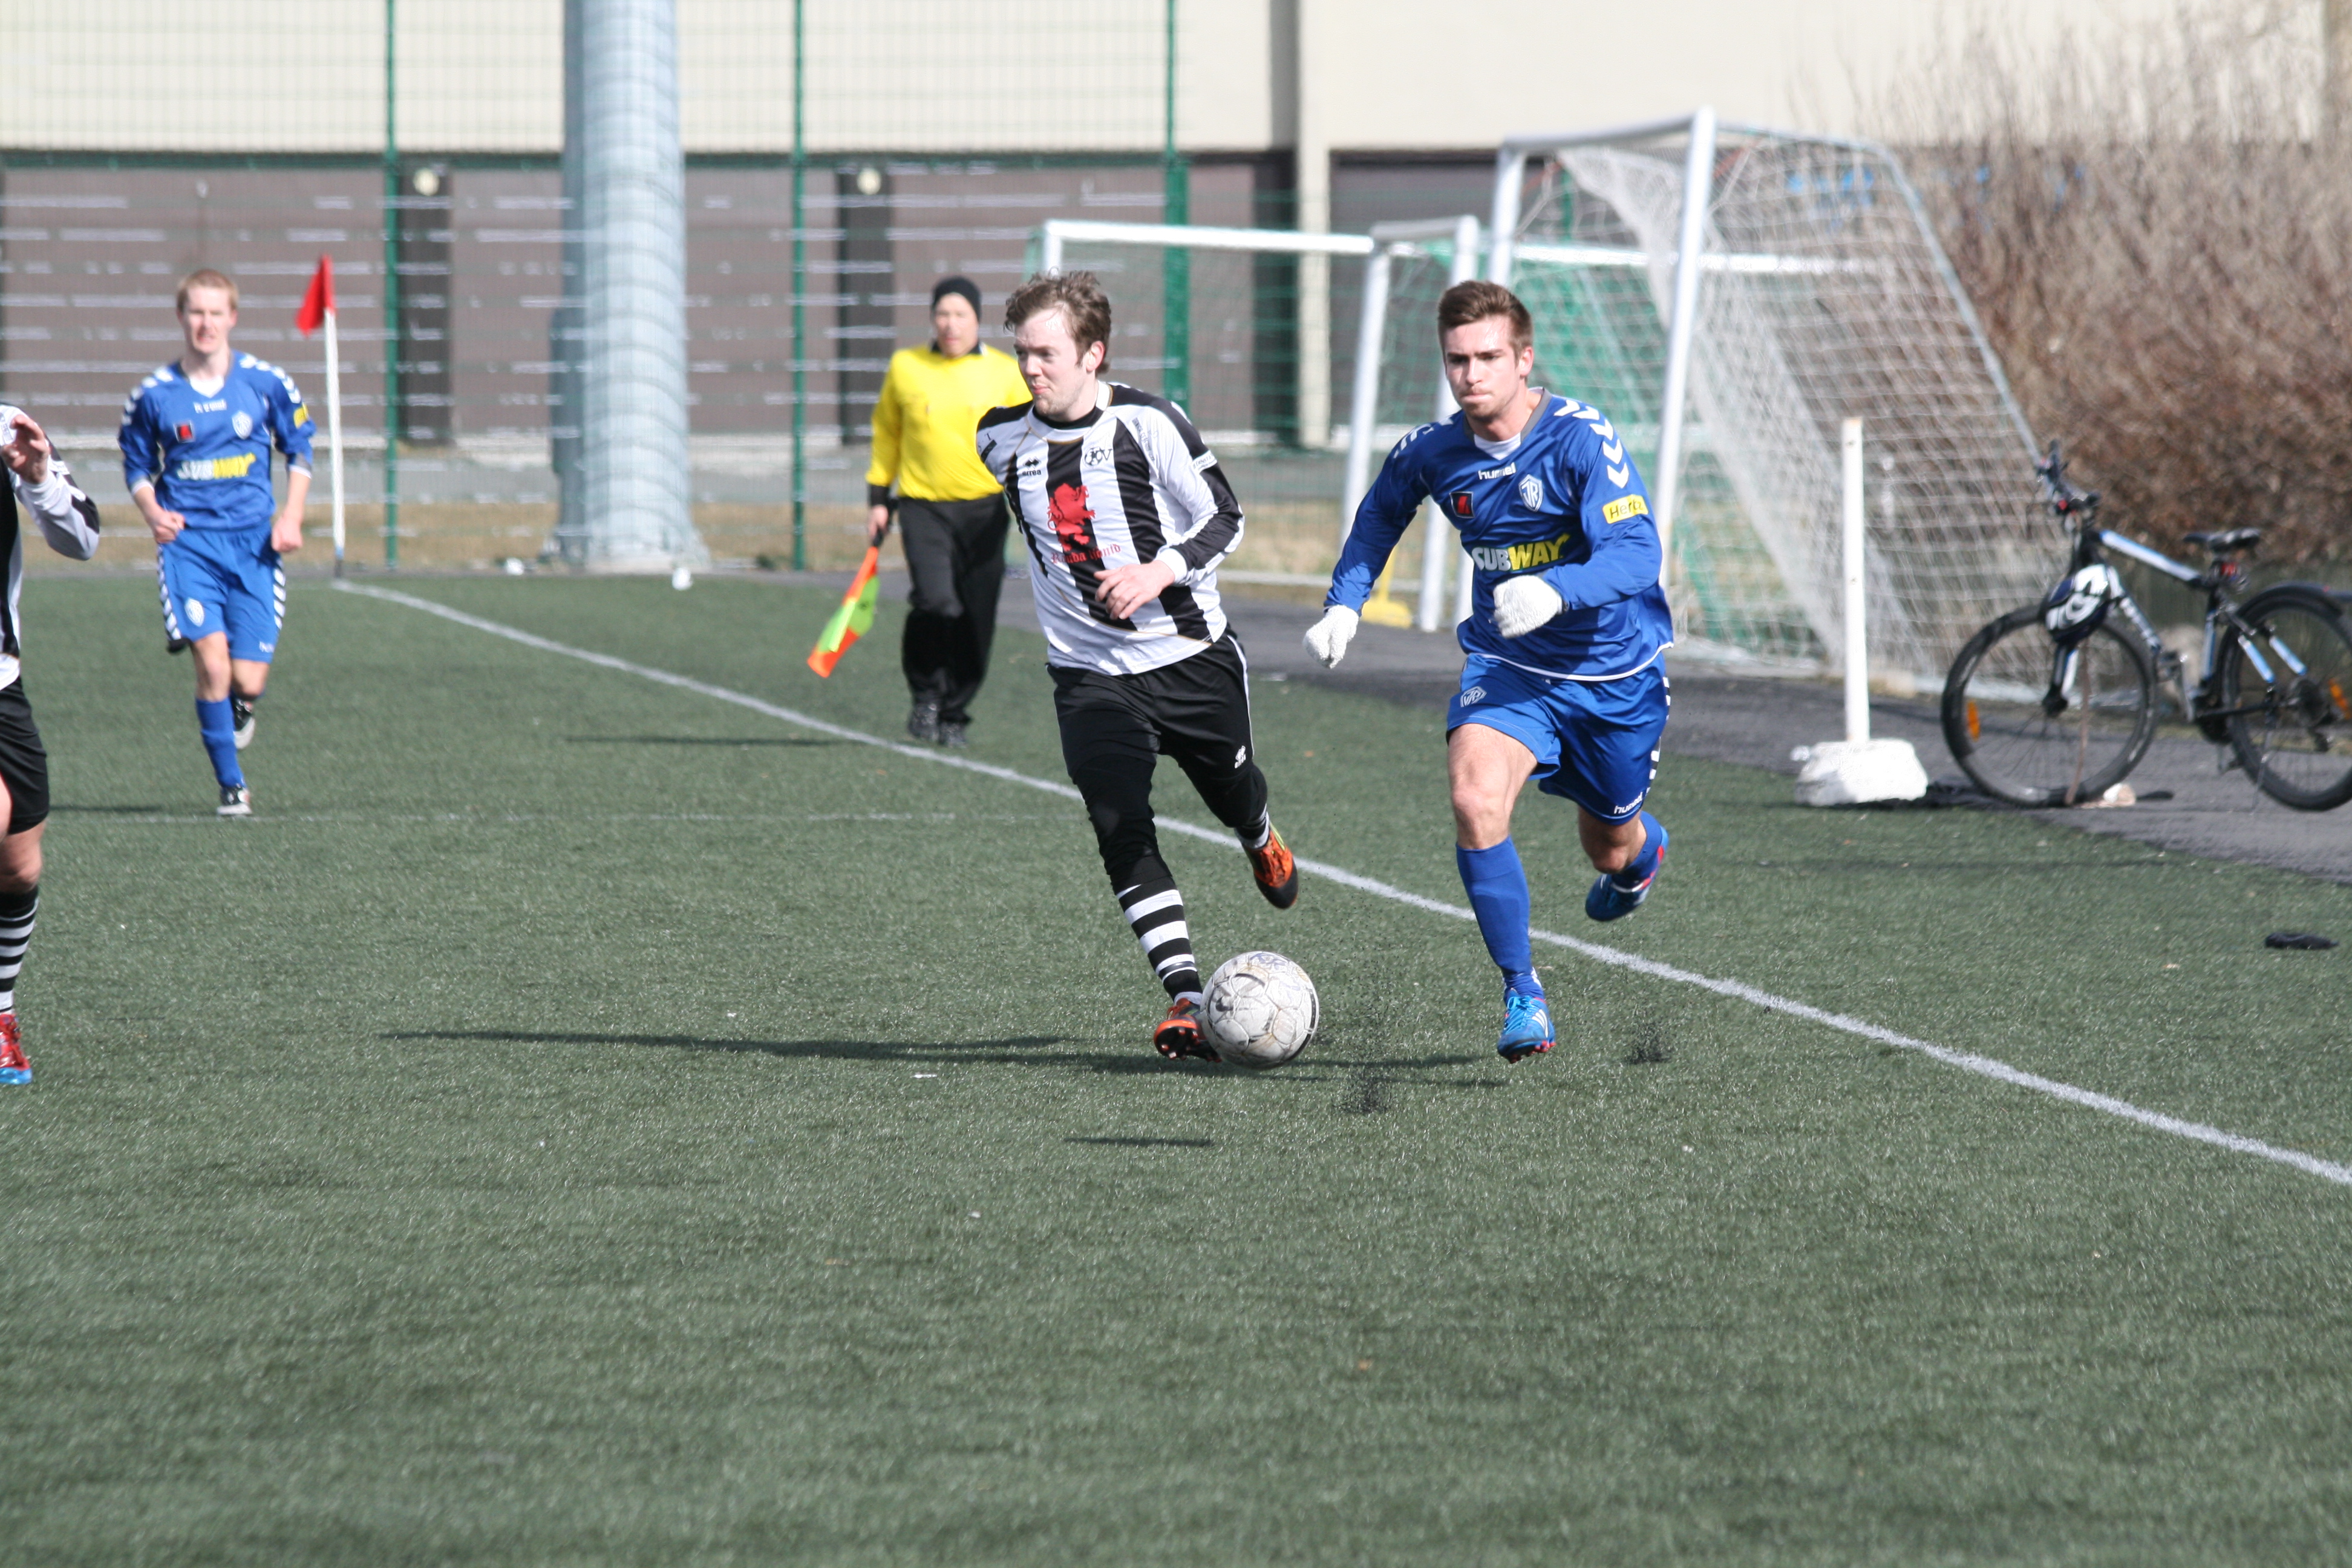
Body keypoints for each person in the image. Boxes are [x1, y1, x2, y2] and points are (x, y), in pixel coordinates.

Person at [1302, 280, 1673, 1064]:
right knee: (1474, 800)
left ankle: (1640, 857)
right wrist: (1345, 605)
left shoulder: (1579, 438)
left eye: (1488, 358)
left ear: (1524, 360)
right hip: (1508, 667)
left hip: (1612, 677)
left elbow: (1639, 554)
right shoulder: (1432, 451)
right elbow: (1381, 514)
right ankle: (1523, 992)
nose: (1471, 375)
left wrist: (1555, 590)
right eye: (1457, 360)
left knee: (1608, 847)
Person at [974, 271, 1298, 1060]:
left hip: (1190, 660)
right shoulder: (998, 439)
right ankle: (1186, 997)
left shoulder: (1150, 424)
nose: (1030, 369)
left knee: (1233, 794)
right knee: (1118, 822)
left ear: (1093, 353)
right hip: (1088, 673)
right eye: (1022, 353)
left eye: (1047, 354)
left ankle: (1259, 834)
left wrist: (1159, 571)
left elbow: (1226, 517)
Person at [119, 269, 313, 817]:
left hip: (254, 545)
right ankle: (232, 786)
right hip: (189, 547)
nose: (206, 323)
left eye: (215, 313)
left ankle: (241, 706)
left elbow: (300, 448)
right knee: (212, 665)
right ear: (181, 317)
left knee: (246, 679)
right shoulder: (154, 394)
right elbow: (136, 465)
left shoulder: (266, 383)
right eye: (196, 312)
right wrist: (153, 513)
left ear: (233, 318)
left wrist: (292, 515)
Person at [866, 276, 1031, 748]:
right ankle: (926, 697)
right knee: (936, 601)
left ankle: (955, 711)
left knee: (976, 616)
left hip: (985, 512)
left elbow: (1030, 437)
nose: (951, 324)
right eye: (943, 314)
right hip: (922, 507)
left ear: (977, 319)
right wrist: (877, 499)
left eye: (961, 314)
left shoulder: (1005, 373)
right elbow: (887, 433)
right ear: (932, 318)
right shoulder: (906, 366)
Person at [0, 404, 105, 1085]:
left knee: (19, 869)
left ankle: (0, 1010)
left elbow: (84, 539)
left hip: (1, 683)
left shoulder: (8, 427)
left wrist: (38, 478)